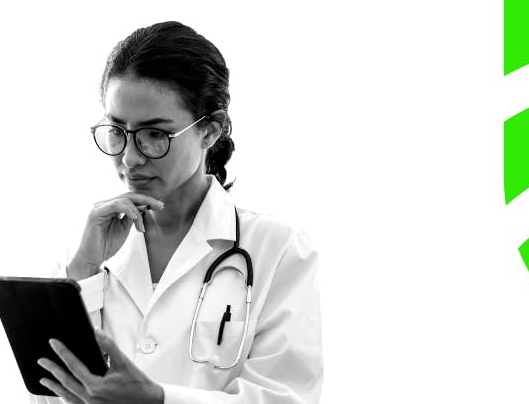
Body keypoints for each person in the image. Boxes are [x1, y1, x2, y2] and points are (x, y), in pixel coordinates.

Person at [33, 21, 322, 404]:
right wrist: (82, 273)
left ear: (211, 130)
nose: (130, 158)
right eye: (117, 131)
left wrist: (157, 399)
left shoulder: (277, 248)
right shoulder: (82, 253)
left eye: (156, 135)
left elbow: (286, 398)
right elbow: (47, 395)